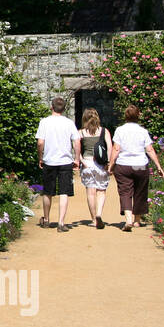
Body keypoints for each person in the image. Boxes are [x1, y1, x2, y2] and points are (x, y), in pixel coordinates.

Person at [107, 104, 164, 231]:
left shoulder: (120, 130)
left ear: (125, 116)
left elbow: (116, 149)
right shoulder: (143, 131)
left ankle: (128, 220)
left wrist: (111, 165)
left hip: (123, 165)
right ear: (138, 115)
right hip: (140, 165)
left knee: (125, 192)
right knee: (140, 192)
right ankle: (137, 221)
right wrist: (158, 166)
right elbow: (149, 149)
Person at [35, 96, 81, 232]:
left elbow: (40, 142)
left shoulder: (44, 122)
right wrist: (77, 159)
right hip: (65, 161)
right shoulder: (69, 123)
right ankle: (61, 222)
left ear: (51, 107)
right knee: (64, 192)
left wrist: (40, 157)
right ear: (64, 109)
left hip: (49, 160)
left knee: (47, 192)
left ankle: (47, 219)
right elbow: (76, 142)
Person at [76, 108, 112, 229]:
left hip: (87, 163)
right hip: (101, 164)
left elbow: (76, 150)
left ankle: (93, 219)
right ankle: (99, 214)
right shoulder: (104, 131)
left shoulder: (80, 133)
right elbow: (110, 147)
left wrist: (81, 161)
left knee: (90, 193)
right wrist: (109, 163)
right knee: (101, 191)